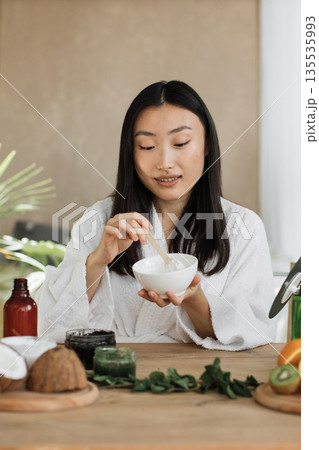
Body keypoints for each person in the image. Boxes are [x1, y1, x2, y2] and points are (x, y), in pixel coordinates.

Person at [37, 80, 277, 350]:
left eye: (181, 143)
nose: (164, 163)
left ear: (207, 145)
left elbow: (255, 330)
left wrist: (193, 299)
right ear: (131, 152)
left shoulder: (243, 226)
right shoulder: (100, 220)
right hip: (113, 371)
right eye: (148, 147)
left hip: (201, 378)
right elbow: (49, 323)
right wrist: (97, 260)